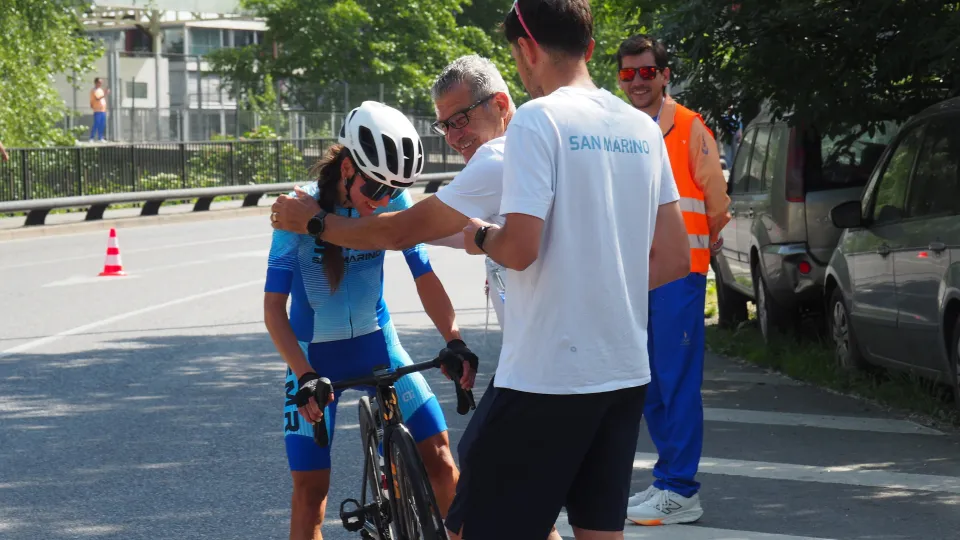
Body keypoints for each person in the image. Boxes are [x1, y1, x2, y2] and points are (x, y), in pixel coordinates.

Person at [448, 0, 691, 538]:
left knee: (475, 527)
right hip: (623, 372)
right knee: (598, 531)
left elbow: (519, 248)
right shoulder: (642, 127)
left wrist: (480, 235)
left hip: (546, 376)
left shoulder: (538, 118)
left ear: (526, 48)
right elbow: (676, 257)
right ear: (591, 48)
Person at [263, 101, 478, 540]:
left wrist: (453, 339)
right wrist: (304, 374)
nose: (382, 201)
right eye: (375, 188)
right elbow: (273, 311)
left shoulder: (393, 202)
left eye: (390, 192)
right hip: (313, 361)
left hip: (379, 347)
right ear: (347, 168)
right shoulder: (295, 212)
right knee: (310, 494)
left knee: (441, 458)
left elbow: (424, 275)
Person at [270, 54, 515, 329]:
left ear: (500, 105)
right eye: (445, 126)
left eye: (459, 120)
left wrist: (315, 222)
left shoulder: (497, 158)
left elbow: (400, 233)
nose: (453, 138)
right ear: (349, 169)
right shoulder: (529, 144)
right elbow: (437, 230)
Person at [615, 34, 731, 526]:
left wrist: (705, 244)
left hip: (679, 276)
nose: (638, 81)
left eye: (647, 72)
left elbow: (716, 199)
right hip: (635, 277)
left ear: (664, 75)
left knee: (676, 381)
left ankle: (681, 488)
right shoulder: (619, 129)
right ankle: (669, 481)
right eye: (628, 73)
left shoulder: (689, 127)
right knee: (650, 386)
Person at [89, 77, 108, 143]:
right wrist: (105, 94)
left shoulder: (100, 90)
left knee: (102, 124)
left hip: (103, 110)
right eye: (99, 82)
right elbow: (97, 98)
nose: (101, 84)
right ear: (96, 82)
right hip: (97, 109)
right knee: (96, 124)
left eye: (101, 82)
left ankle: (100, 137)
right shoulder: (94, 90)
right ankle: (91, 138)